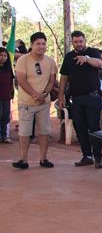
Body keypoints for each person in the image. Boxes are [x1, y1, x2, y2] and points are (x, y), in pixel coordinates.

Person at [59, 30, 102, 168]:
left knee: (94, 127)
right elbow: (64, 77)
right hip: (76, 98)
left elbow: (100, 63)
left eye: (81, 41)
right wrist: (61, 95)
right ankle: (86, 156)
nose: (79, 44)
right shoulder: (69, 57)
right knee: (80, 127)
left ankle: (98, 157)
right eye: (76, 42)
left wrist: (87, 59)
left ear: (85, 41)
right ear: (72, 42)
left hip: (92, 97)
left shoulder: (93, 52)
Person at [12, 32, 57, 169]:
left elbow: (52, 81)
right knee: (24, 133)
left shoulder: (50, 61)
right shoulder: (22, 61)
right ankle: (23, 160)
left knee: (44, 132)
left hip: (44, 103)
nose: (41, 46)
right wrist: (35, 95)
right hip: (26, 102)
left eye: (43, 43)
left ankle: (43, 159)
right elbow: (21, 80)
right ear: (31, 45)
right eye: (38, 43)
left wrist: (43, 94)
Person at [0, 47, 14, 143]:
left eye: (5, 55)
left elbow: (11, 82)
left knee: (5, 117)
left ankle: (4, 136)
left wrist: (11, 93)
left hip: (6, 96)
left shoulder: (8, 69)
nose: (2, 57)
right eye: (0, 55)